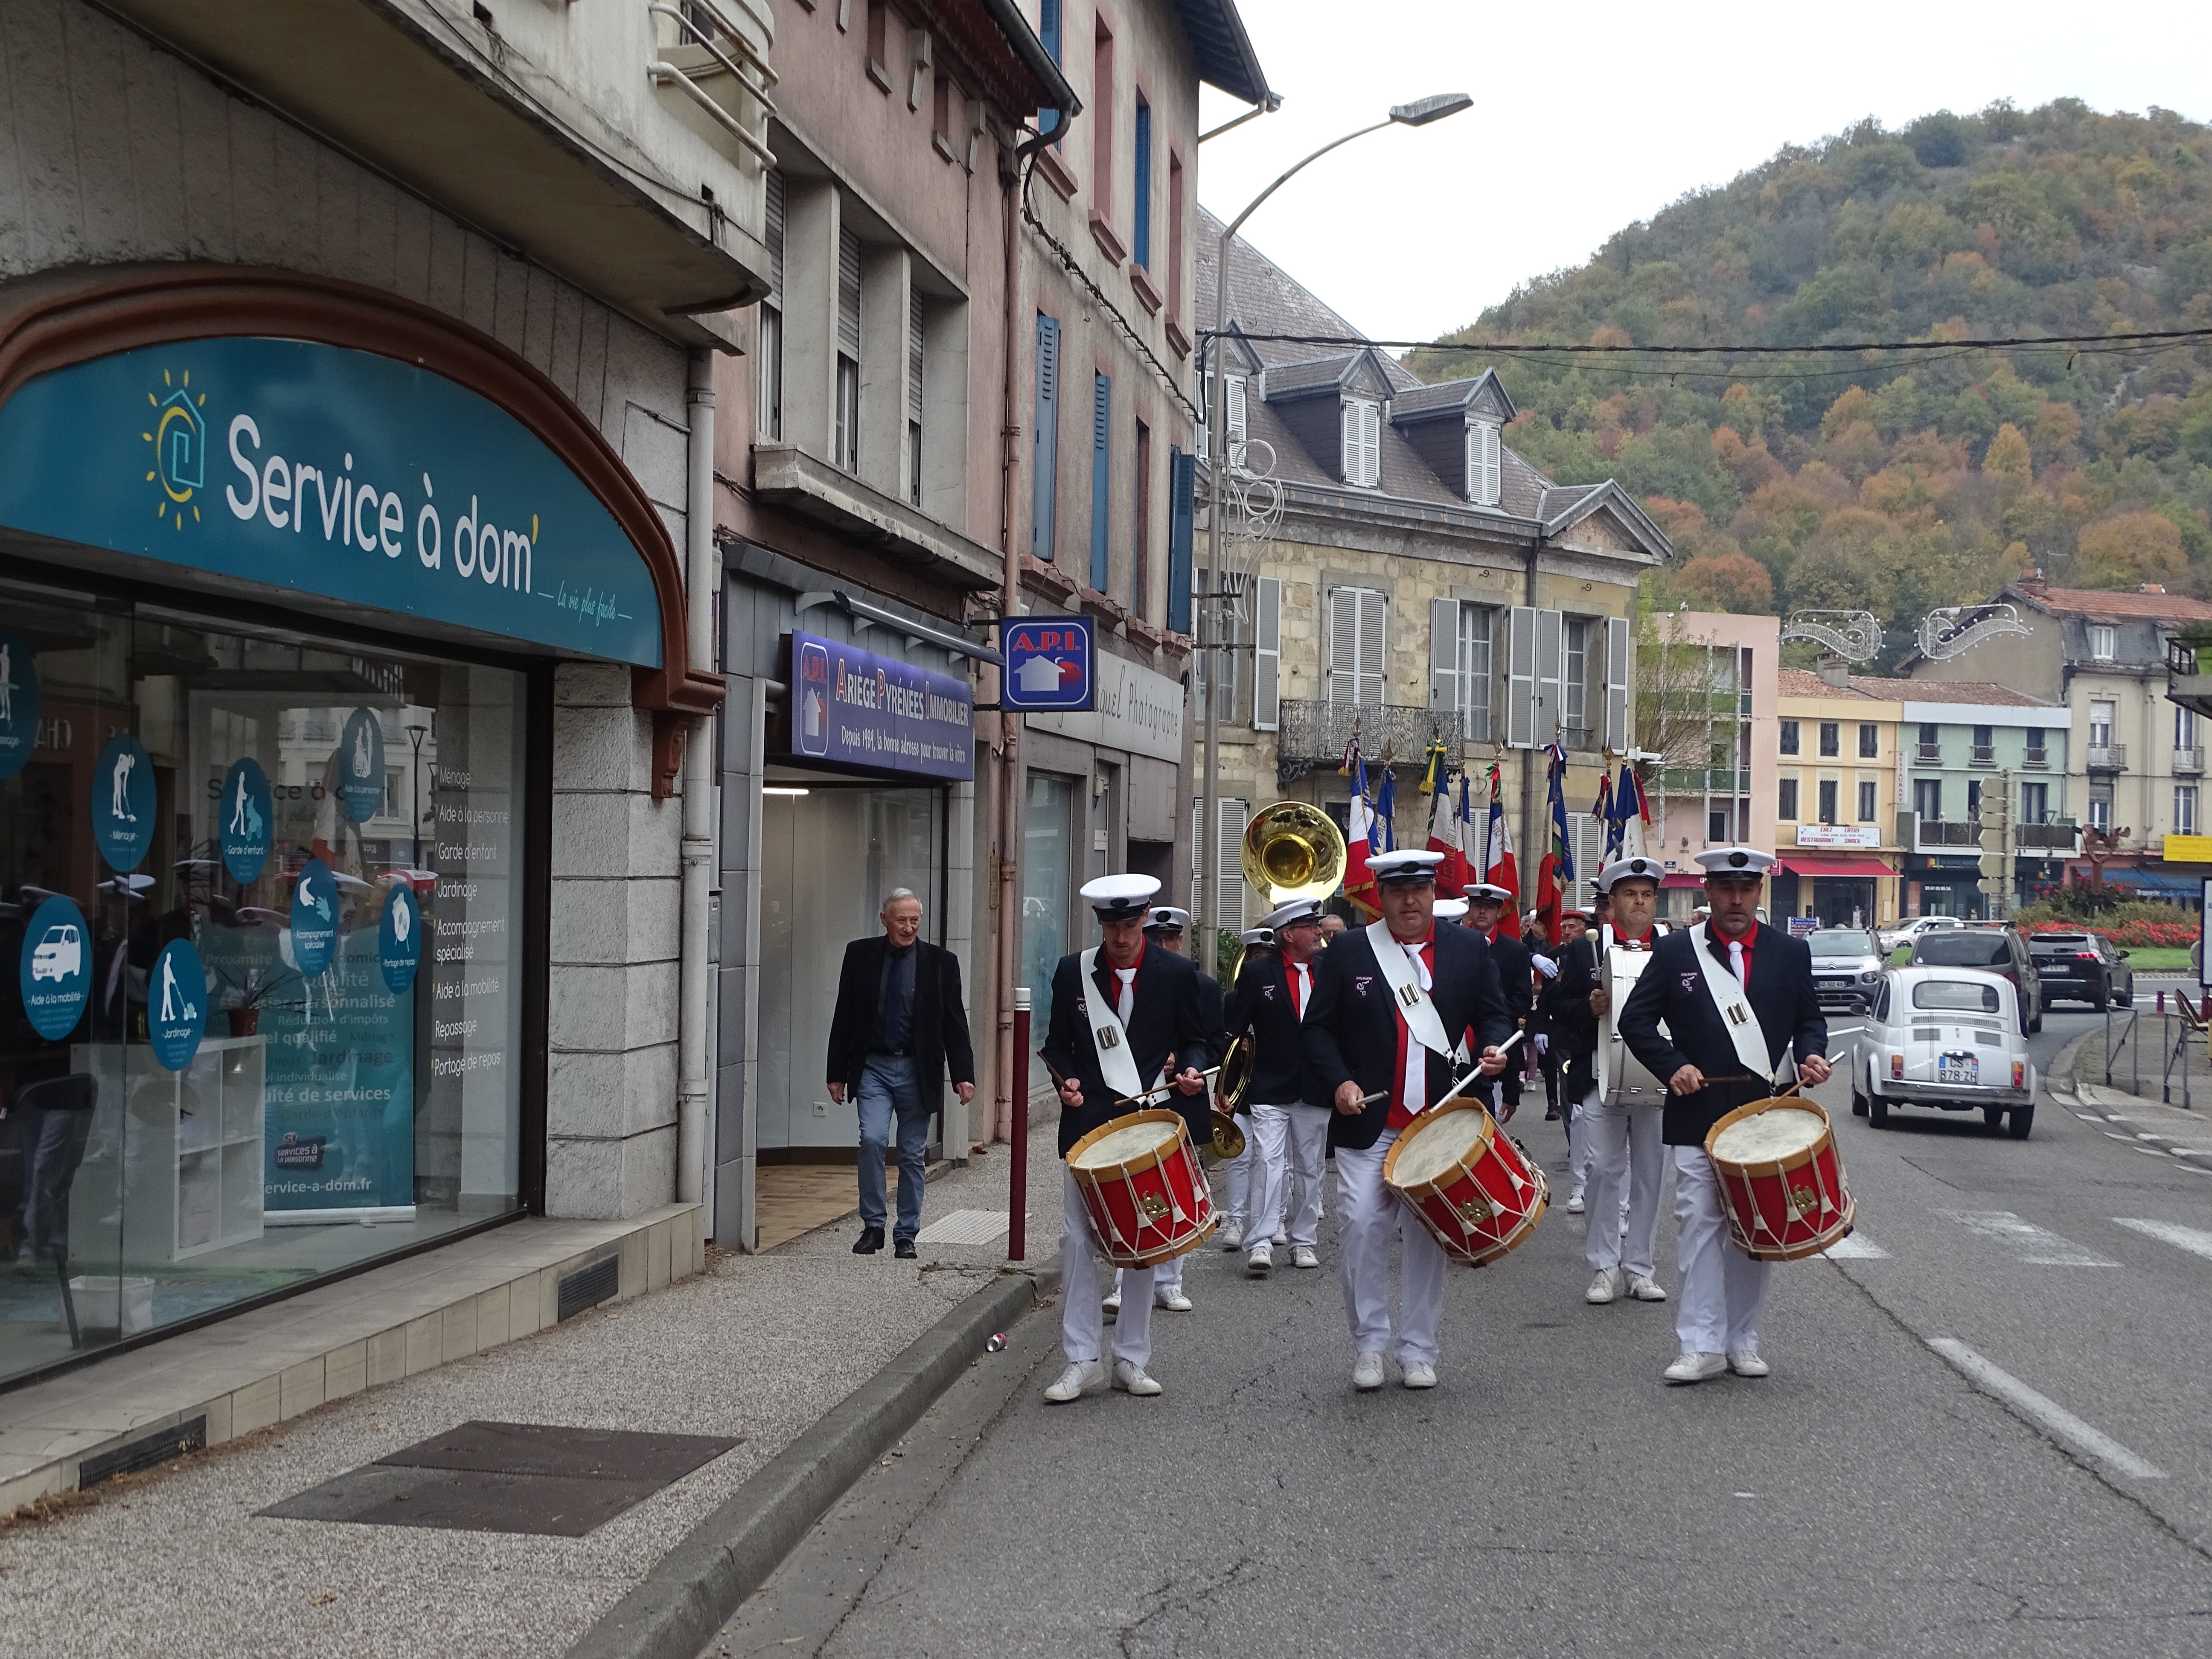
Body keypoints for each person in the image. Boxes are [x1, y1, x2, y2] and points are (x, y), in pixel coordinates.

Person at [1303, 849, 1512, 1392]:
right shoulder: (1350, 950)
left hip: (1439, 1124)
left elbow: (1494, 1014)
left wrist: (1493, 1047)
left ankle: (1418, 1348)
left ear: (1434, 893)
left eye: (1419, 890)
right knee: (1361, 1227)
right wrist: (1339, 1081)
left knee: (1428, 1237)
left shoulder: (1468, 948)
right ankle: (1370, 1345)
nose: (1410, 901)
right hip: (1369, 1120)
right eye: (1398, 892)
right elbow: (1317, 1029)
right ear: (1381, 897)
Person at [1617, 847, 1829, 1384]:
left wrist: (1812, 1054)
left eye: (1747, 889)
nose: (1737, 900)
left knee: (1757, 1232)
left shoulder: (1790, 953)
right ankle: (1699, 1345)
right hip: (1698, 1116)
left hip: (1764, 1120)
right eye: (1726, 889)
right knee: (1698, 1230)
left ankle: (1742, 1340)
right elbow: (1635, 1021)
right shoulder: (1676, 952)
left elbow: (1810, 1021)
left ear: (1759, 892)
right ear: (1708, 891)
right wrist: (1673, 1066)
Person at [1040, 875, 1216, 1402]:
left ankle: (1131, 1359)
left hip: (1150, 1123)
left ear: (1145, 919)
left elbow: (1196, 1040)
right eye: (1111, 926)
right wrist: (1066, 1080)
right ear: (1100, 923)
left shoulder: (1176, 973)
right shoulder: (1074, 971)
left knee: (1145, 1241)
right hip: (1089, 1123)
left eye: (1130, 925)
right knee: (1077, 1240)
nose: (1120, 937)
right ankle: (1081, 1359)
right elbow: (1057, 1045)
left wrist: (1191, 1069)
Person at [826, 888, 976, 1258]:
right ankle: (873, 1227)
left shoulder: (942, 963)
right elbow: (844, 1015)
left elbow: (955, 1023)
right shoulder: (859, 955)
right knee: (872, 1139)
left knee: (911, 1154)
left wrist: (963, 1074)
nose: (909, 928)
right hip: (873, 1066)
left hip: (917, 1069)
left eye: (915, 920)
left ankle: (906, 1233)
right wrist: (836, 1073)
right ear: (884, 920)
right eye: (901, 921)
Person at [1555, 856, 1671, 1307]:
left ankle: (1639, 1268)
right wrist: (1588, 1007)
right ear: (1612, 902)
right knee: (1603, 1169)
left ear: (1655, 901)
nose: (1639, 903)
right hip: (1600, 1077)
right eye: (1629, 895)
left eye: (1646, 895)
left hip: (1657, 1080)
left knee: (1650, 1175)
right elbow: (1556, 1011)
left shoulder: (1673, 948)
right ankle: (1603, 1266)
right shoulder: (1585, 949)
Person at [1102, 906, 1217, 1319]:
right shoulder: (1117, 979)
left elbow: (1207, 1042)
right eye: (1158, 938)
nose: (1165, 945)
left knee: (1173, 1193)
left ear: (1180, 941)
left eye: (1171, 939)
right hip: (1131, 1098)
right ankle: (1124, 1283)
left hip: (1176, 1099)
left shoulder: (1195, 982)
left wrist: (1186, 1065)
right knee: (1131, 1191)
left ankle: (1170, 1283)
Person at [1462, 884, 1534, 1126]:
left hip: (1497, 1041)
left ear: (1499, 912)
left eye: (1490, 907)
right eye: (1478, 906)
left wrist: (1492, 1012)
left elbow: (1523, 999)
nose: (1483, 912)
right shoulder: (1454, 944)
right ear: (1470, 909)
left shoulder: (1516, 951)